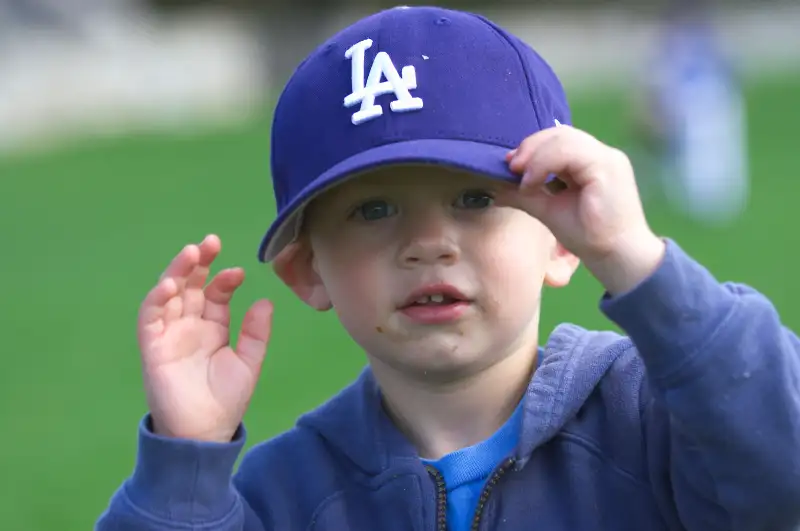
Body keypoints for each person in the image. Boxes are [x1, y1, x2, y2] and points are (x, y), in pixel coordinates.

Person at [96, 6, 800, 531]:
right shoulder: (285, 494)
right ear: (306, 269)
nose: (429, 243)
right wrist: (186, 461)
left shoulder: (648, 420)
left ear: (562, 240)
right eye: (373, 211)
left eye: (473, 198)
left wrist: (643, 268)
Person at [629, 0, 749, 224]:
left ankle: (644, 181)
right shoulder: (685, 44)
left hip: (697, 111)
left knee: (697, 168)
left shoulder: (692, 44)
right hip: (692, 111)